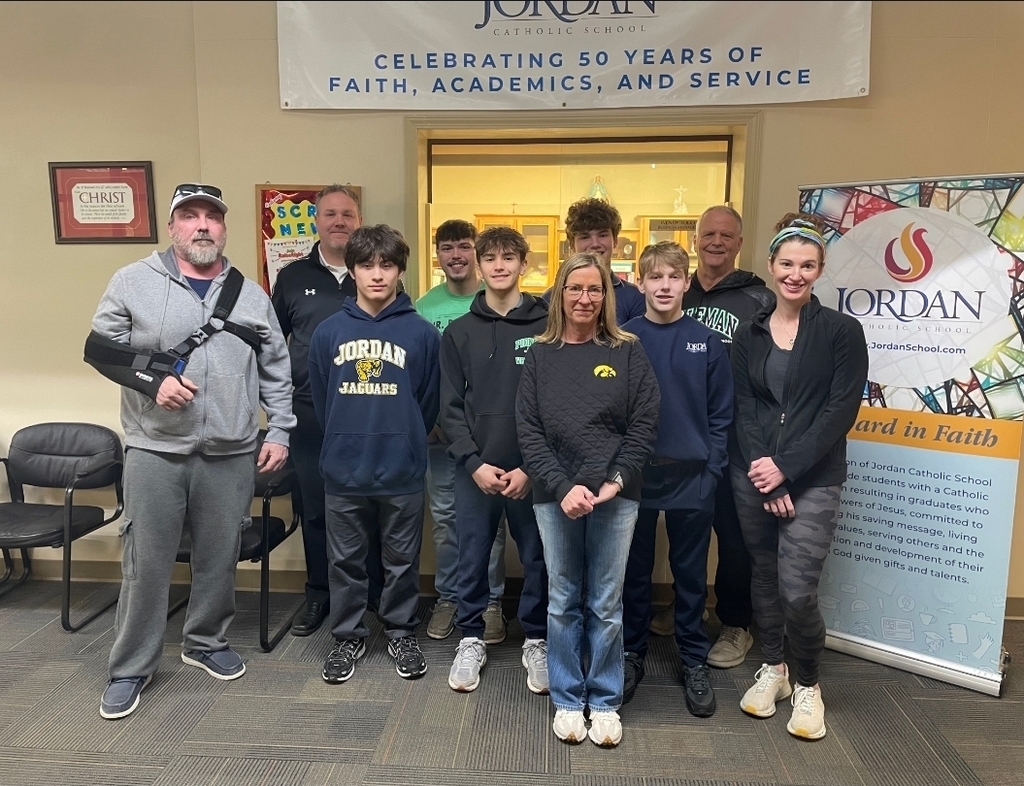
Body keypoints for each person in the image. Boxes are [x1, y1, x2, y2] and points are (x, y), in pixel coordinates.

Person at [88, 183, 295, 719]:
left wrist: (279, 430)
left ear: (223, 228)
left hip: (230, 451)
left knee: (220, 556)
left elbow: (276, 367)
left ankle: (204, 641)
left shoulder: (251, 295)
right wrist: (151, 383)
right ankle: (131, 667)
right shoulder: (133, 280)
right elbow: (99, 349)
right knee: (146, 562)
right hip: (155, 448)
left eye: (211, 217)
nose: (202, 225)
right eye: (189, 216)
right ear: (172, 226)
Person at [731, 213, 868, 740]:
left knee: (796, 590)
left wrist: (786, 469)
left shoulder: (841, 331)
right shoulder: (749, 331)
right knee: (764, 576)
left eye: (807, 265)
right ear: (771, 265)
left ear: (820, 269)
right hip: (755, 472)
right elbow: (745, 407)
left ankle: (809, 685)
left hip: (815, 476)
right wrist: (766, 471)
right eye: (787, 263)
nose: (795, 274)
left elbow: (840, 412)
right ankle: (775, 668)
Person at [517, 252, 660, 748]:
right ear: (559, 293)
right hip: (554, 494)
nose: (584, 298)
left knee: (604, 601)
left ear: (607, 296)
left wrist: (614, 481)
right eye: (574, 288)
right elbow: (529, 431)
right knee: (562, 599)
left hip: (615, 494)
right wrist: (562, 487)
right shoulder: (540, 354)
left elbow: (644, 424)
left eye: (594, 289)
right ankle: (565, 697)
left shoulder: (628, 351)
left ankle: (603, 700)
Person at [308, 224, 440, 684]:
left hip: (401, 469)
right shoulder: (328, 332)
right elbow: (322, 400)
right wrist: (344, 437)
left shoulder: (423, 334)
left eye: (387, 265)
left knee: (401, 562)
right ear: (353, 271)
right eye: (367, 265)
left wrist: (403, 437)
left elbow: (427, 403)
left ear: (401, 270)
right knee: (344, 562)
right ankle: (347, 636)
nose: (377, 275)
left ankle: (401, 632)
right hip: (343, 469)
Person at [652, 205, 773, 669]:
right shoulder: (677, 291)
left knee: (734, 535)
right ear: (695, 240)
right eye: (708, 234)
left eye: (726, 235)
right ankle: (688, 606)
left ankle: (736, 622)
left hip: (735, 438)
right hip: (678, 438)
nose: (716, 242)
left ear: (739, 243)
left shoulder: (758, 299)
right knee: (685, 534)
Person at [620, 242, 733, 717]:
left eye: (673, 277)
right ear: (640, 283)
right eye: (655, 277)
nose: (664, 286)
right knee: (633, 573)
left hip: (693, 477)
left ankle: (693, 659)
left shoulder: (706, 341)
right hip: (636, 477)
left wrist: (712, 471)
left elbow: (721, 415)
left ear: (687, 283)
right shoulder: (624, 338)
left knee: (690, 576)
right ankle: (630, 653)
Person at [441, 226, 550, 694]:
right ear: (480, 265)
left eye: (509, 257)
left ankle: (537, 640)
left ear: (524, 264)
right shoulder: (459, 332)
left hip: (533, 470)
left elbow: (557, 404)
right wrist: (472, 463)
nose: (499, 265)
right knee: (472, 555)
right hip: (476, 470)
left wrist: (532, 466)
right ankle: (470, 638)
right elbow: (448, 406)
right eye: (490, 258)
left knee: (538, 557)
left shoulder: (549, 327)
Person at [272, 184, 383, 637]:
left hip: (368, 413)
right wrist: (276, 413)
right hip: (309, 414)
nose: (339, 222)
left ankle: (376, 594)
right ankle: (320, 593)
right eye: (330, 214)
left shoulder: (376, 272)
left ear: (359, 221)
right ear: (316, 221)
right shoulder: (292, 277)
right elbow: (272, 348)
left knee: (372, 505)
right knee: (316, 509)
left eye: (348, 214)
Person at [415, 219, 508, 644]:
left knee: (490, 523)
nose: (456, 255)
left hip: (486, 437)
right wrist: (430, 421)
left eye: (464, 246)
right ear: (438, 255)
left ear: (477, 254)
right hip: (440, 435)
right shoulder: (423, 307)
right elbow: (421, 373)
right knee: (446, 520)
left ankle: (491, 601)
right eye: (447, 247)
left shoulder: (495, 300)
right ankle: (449, 597)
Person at [544, 198, 645, 325]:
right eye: (585, 237)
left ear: (615, 240)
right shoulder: (551, 298)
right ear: (572, 245)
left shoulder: (635, 297)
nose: (595, 244)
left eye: (602, 235)